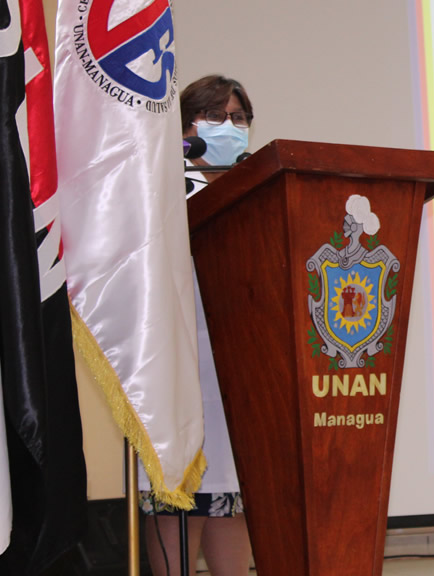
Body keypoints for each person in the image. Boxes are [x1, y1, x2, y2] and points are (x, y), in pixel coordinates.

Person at [138, 75, 255, 576]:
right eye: (216, 115)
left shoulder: (256, 189)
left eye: (239, 118)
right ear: (186, 126)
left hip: (242, 373)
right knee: (181, 503)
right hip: (181, 371)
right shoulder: (167, 190)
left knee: (230, 499)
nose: (230, 127)